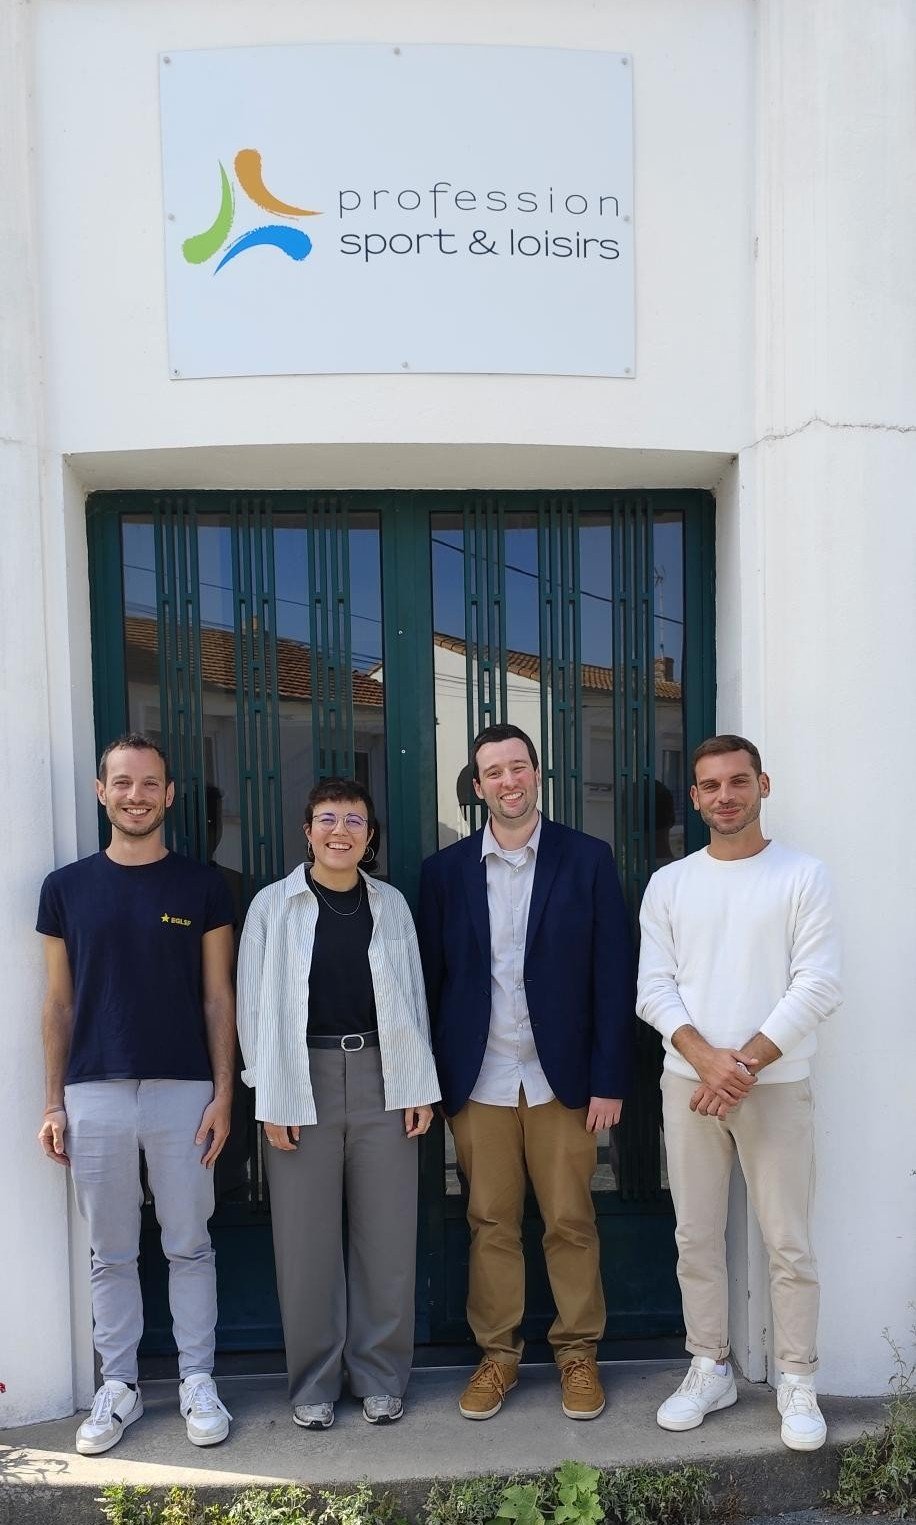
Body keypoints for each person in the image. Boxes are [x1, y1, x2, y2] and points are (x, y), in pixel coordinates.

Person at [418, 724, 633, 1422]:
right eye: (494, 772)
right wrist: (431, 1082)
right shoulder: (444, 872)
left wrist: (609, 1078)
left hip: (560, 1079)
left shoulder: (587, 858)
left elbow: (613, 975)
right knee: (490, 1221)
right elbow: (430, 984)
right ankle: (498, 1355)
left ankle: (578, 1352)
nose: (508, 781)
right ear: (477, 786)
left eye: (518, 767)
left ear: (536, 774)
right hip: (478, 1078)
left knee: (570, 1218)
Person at [636, 735, 842, 1452]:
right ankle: (710, 1365)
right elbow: (653, 986)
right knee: (695, 1235)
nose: (725, 795)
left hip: (774, 1086)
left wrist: (741, 1066)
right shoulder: (670, 884)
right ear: (694, 797)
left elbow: (818, 984)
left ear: (763, 784)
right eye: (711, 785)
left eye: (738, 781)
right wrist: (706, 1060)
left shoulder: (803, 875)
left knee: (787, 1240)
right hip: (688, 1087)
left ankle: (797, 1377)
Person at [37, 734, 236, 1454]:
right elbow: (59, 1003)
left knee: (189, 1244)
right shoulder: (65, 888)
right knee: (110, 1252)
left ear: (170, 794)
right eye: (122, 783)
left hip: (185, 1089)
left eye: (150, 783)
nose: (136, 795)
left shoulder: (202, 886)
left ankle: (197, 1379)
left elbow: (218, 997)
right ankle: (117, 1385)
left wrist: (224, 1093)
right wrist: (53, 1101)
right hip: (94, 1090)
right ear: (102, 792)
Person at [237, 778, 439, 1431]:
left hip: (384, 1075)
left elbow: (412, 996)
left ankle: (380, 1376)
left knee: (387, 1239)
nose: (340, 831)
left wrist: (417, 1085)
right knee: (305, 1245)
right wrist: (269, 1092)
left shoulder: (391, 905)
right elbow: (253, 1006)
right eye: (327, 818)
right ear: (307, 830)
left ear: (370, 835)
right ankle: (314, 1383)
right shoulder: (273, 907)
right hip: (302, 1078)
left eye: (354, 820)